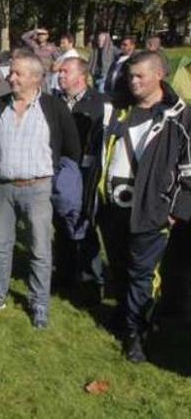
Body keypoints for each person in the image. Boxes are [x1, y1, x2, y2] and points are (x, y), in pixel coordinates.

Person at [94, 52, 191, 362]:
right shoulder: (117, 110)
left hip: (151, 211)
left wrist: (175, 210)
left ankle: (137, 331)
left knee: (143, 274)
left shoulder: (180, 116)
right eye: (130, 76)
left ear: (160, 74)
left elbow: (188, 170)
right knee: (120, 266)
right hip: (113, 207)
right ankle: (124, 314)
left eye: (140, 76)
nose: (133, 82)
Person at [0, 53, 80, 328]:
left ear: (36, 78)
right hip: (3, 188)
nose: (12, 78)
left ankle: (39, 304)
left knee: (40, 249)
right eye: (11, 73)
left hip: (38, 189)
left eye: (18, 74)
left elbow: (71, 148)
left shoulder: (54, 108)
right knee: (0, 245)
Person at [53, 57, 108, 304]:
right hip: (59, 171)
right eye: (60, 71)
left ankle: (91, 280)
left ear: (81, 76)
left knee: (86, 225)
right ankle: (63, 275)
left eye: (65, 71)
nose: (60, 75)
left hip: (86, 174)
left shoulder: (100, 104)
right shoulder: (55, 102)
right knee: (61, 223)